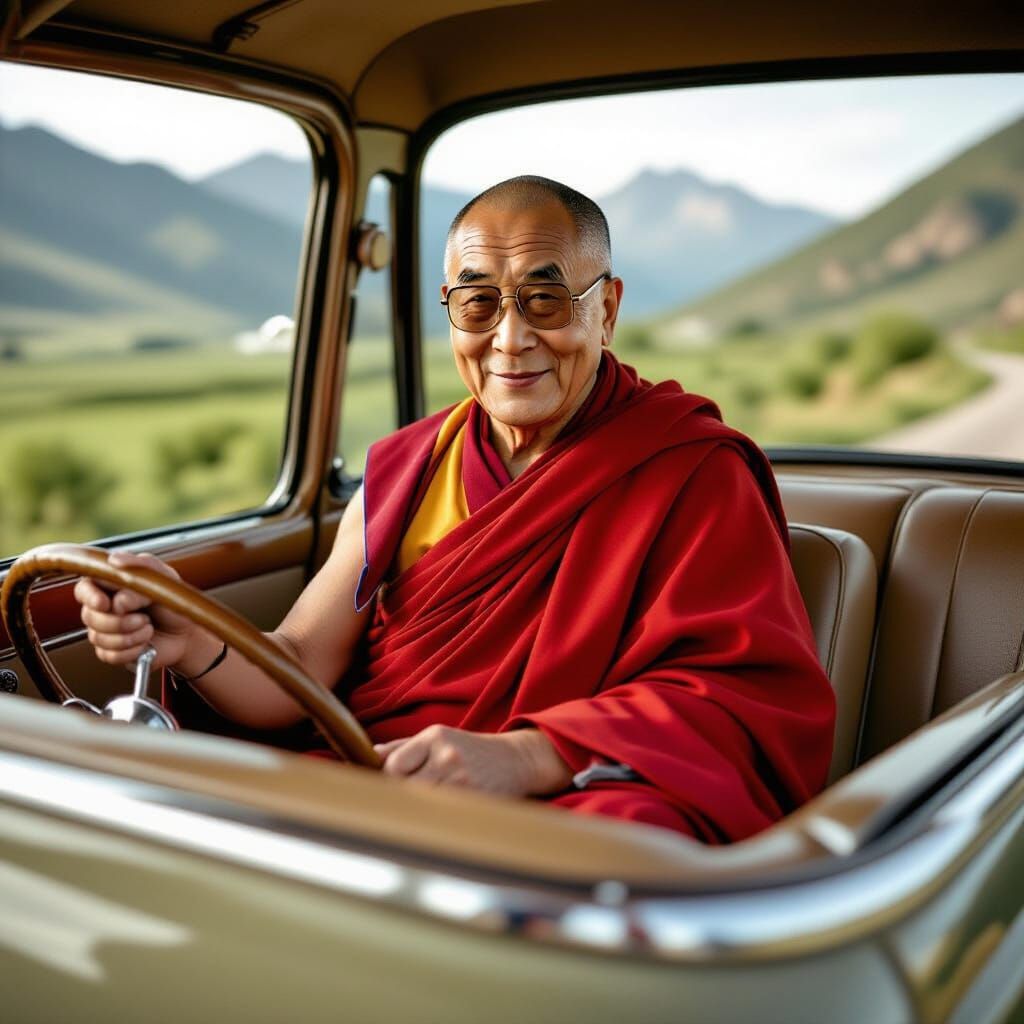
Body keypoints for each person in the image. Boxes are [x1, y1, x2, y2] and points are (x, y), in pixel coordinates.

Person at [75, 176, 835, 841]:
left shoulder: (688, 466)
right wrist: (188, 635)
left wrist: (524, 756)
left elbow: (739, 697)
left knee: (631, 842)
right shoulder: (408, 468)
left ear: (606, 308)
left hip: (561, 791)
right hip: (386, 776)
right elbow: (300, 667)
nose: (510, 338)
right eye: (478, 303)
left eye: (545, 299)